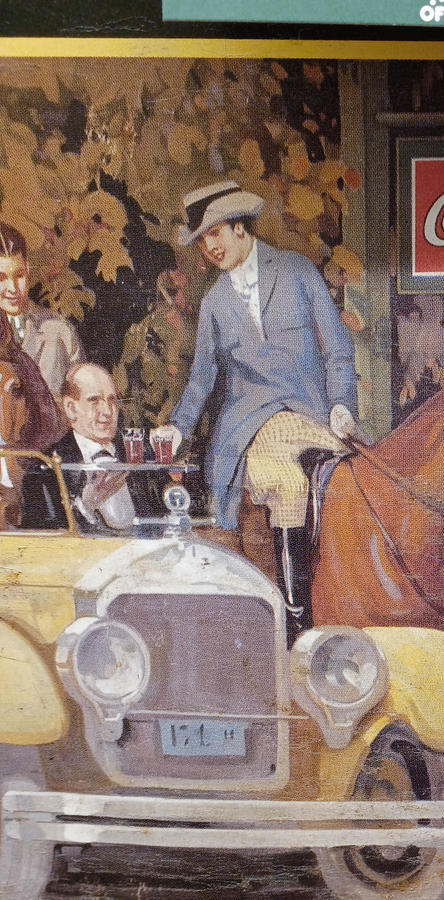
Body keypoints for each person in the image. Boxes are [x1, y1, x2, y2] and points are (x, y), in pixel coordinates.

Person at [163, 179, 360, 638]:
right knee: (286, 484)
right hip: (251, 427)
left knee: (358, 477)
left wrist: (341, 404)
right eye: (202, 240)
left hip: (311, 416)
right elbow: (201, 380)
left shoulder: (295, 270)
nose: (209, 247)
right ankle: (296, 620)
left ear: (239, 226)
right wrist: (178, 428)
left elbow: (337, 348)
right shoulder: (214, 303)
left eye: (215, 233)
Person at [20, 363, 157, 533]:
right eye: (94, 400)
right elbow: (45, 542)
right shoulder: (43, 471)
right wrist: (85, 507)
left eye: (112, 400)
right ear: (71, 408)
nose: (107, 411)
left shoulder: (141, 453)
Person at [0, 222, 83, 397]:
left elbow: (82, 402)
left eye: (19, 275)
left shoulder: (60, 330)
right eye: (1, 278)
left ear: (28, 270)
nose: (13, 288)